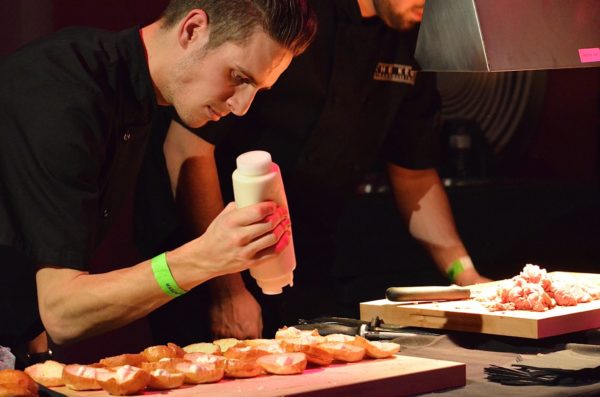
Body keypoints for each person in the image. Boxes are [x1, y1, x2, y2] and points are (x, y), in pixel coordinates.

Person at [136, 0, 492, 344]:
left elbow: (414, 175)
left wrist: (465, 274)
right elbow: (189, 149)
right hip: (207, 257)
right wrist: (227, 290)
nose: (433, 7)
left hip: (309, 255)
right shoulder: (293, 15)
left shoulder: (410, 41)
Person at [0, 0, 317, 366]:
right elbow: (63, 313)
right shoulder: (63, 94)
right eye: (239, 77)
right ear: (192, 30)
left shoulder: (131, 89)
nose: (241, 106)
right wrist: (204, 257)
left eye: (257, 91)